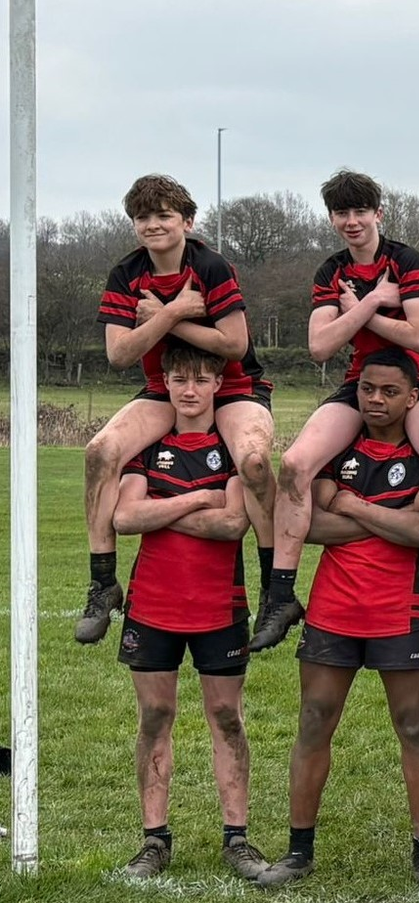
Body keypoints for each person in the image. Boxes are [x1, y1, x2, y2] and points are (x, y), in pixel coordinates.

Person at [253, 170, 419, 654]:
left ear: (378, 214)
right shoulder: (331, 271)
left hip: (418, 381)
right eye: (341, 213)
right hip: (360, 381)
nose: (351, 221)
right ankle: (280, 595)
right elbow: (320, 346)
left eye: (360, 212)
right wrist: (374, 302)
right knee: (294, 464)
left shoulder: (406, 260)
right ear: (331, 218)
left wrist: (358, 311)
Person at [255, 349, 419, 888]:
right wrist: (390, 518)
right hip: (335, 606)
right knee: (315, 719)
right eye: (367, 389)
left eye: (390, 391)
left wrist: (353, 505)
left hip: (402, 609)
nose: (376, 400)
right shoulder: (336, 450)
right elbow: (308, 526)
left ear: (413, 397)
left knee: (413, 726)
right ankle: (298, 851)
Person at [80, 175, 275, 644]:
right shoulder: (126, 274)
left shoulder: (210, 266)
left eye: (164, 215)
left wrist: (167, 316)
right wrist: (173, 312)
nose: (153, 225)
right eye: (143, 217)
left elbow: (233, 344)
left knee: (252, 461)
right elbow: (119, 354)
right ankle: (103, 583)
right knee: (99, 452)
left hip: (234, 387)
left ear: (187, 221)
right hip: (161, 388)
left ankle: (277, 591)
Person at [107, 343, 266, 881]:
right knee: (155, 718)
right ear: (167, 384)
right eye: (179, 379)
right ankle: (154, 840)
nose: (190, 389)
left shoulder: (234, 443)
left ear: (219, 383)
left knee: (226, 717)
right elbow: (125, 518)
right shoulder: (148, 445)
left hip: (221, 606)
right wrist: (198, 499)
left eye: (200, 378)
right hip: (153, 604)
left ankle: (237, 838)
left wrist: (161, 510)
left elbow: (232, 526)